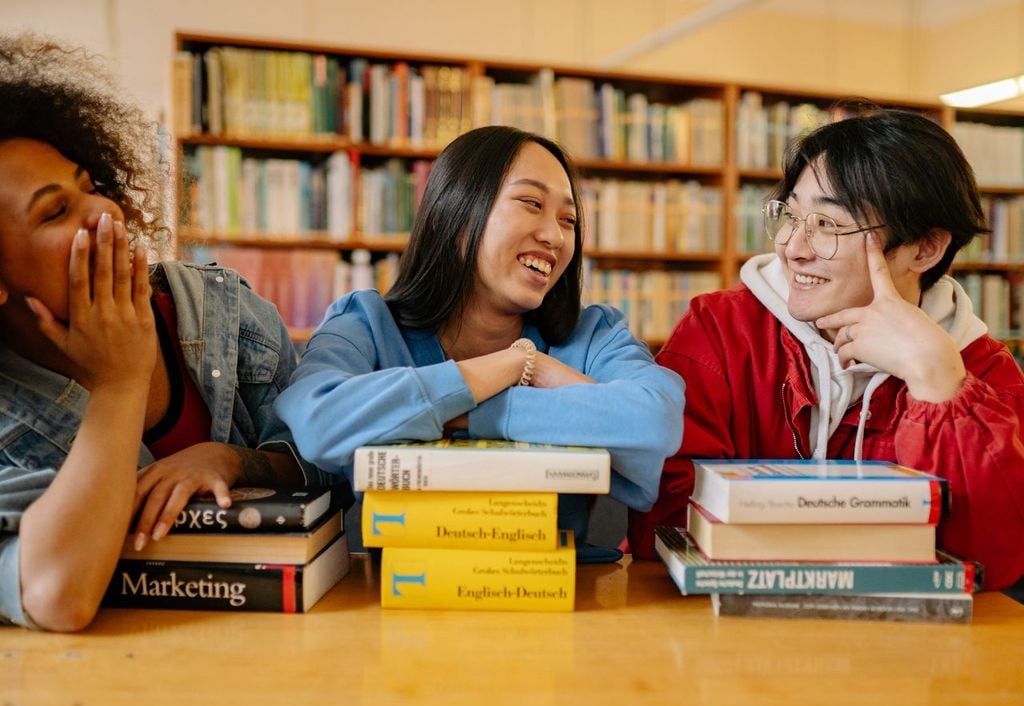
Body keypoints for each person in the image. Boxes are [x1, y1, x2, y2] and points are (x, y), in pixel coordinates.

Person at [0, 34, 334, 631]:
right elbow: (55, 594)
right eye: (54, 212)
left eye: (90, 186)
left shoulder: (229, 312)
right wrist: (121, 383)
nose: (105, 212)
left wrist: (233, 459)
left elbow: (330, 466)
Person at [628, 107, 1024, 590]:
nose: (793, 247)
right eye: (793, 215)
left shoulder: (983, 373)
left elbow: (993, 562)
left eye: (828, 225)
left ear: (924, 248)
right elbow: (662, 521)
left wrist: (937, 382)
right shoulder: (721, 329)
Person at [276, 125, 685, 553]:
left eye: (569, 220)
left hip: (554, 598)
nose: (556, 236)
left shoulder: (592, 335)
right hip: (391, 601)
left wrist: (469, 410)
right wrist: (508, 367)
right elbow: (319, 419)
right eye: (531, 203)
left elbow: (653, 419)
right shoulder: (366, 323)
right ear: (450, 215)